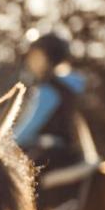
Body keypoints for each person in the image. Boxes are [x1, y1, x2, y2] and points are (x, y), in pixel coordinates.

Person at [13, 31, 91, 172]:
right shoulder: (69, 87)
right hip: (71, 152)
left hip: (53, 155)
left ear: (47, 58)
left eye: (35, 55)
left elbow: (28, 129)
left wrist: (7, 143)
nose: (30, 60)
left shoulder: (48, 90)